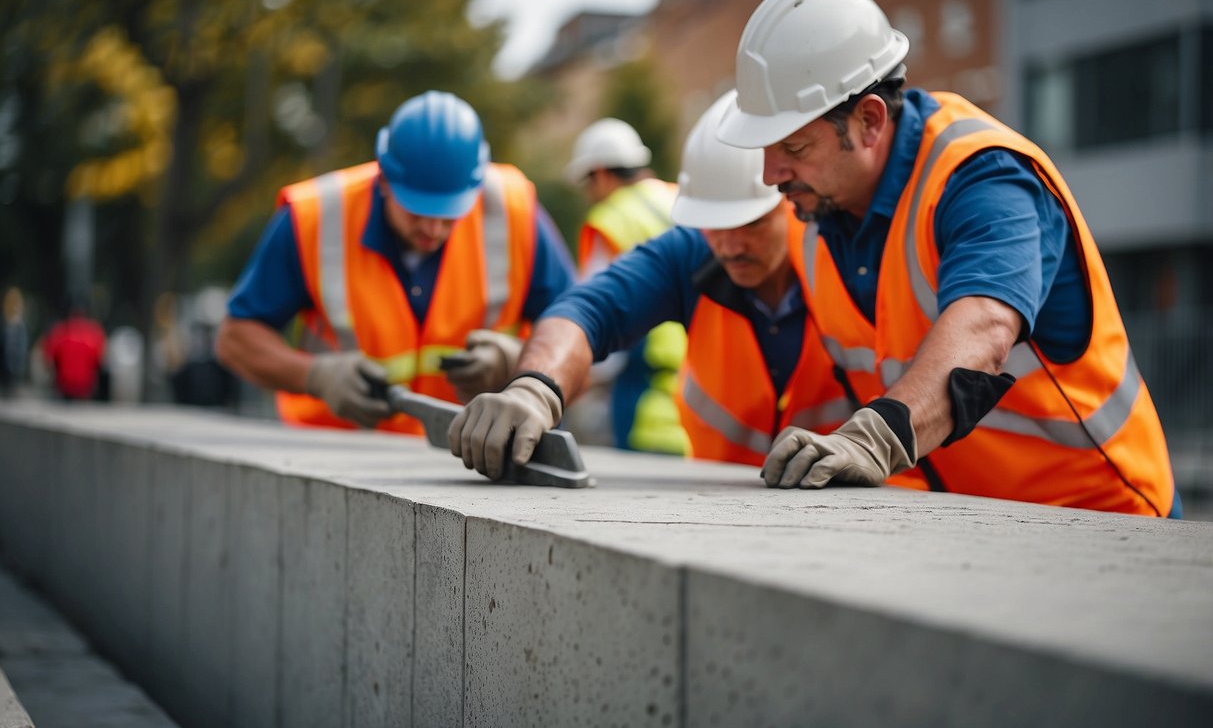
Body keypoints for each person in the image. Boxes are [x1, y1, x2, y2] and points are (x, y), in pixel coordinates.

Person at [713, 0, 1177, 517]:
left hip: (1102, 518)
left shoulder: (985, 178)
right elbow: (665, 267)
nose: (771, 175)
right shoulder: (819, 205)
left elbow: (984, 327)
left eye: (792, 147)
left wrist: (870, 441)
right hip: (975, 520)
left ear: (868, 120)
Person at [448, 91, 892, 482]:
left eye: (752, 223)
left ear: (790, 198)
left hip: (852, 497)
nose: (731, 245)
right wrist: (534, 387)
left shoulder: (837, 251)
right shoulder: (691, 252)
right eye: (715, 225)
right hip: (724, 497)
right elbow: (588, 309)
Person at [216, 90, 576, 433]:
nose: (433, 228)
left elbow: (578, 337)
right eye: (416, 210)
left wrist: (519, 362)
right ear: (384, 179)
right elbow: (235, 338)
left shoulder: (515, 213)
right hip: (333, 454)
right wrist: (314, 376)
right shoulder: (315, 217)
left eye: (450, 214)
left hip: (464, 459)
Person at [565, 118, 688, 455]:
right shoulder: (681, 198)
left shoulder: (615, 218)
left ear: (601, 173)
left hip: (646, 406)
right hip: (702, 404)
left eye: (588, 183)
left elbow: (596, 323)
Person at [42, 305, 107, 401]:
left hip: (63, 388)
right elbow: (100, 361)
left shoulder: (59, 331)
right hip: (85, 389)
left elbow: (49, 360)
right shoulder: (95, 333)